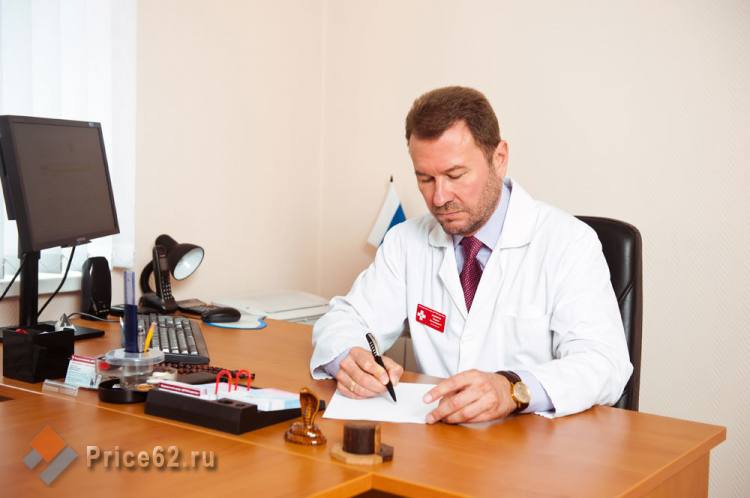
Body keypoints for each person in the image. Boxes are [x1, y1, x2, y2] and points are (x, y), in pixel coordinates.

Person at [310, 86, 632, 422]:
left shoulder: (569, 243)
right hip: (436, 436)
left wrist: (512, 389)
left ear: (499, 159)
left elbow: (604, 363)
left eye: (455, 175)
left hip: (532, 441)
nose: (439, 198)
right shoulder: (406, 241)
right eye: (425, 179)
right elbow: (344, 319)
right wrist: (349, 358)